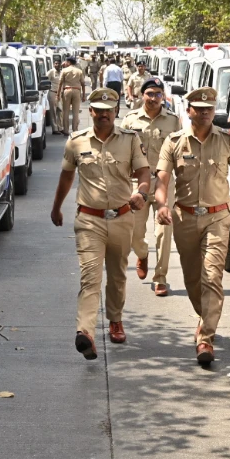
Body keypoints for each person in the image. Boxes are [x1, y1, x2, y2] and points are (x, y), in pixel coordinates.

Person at [155, 86, 230, 365]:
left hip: (217, 217)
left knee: (211, 276)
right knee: (193, 279)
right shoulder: (174, 141)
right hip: (184, 218)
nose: (204, 113)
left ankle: (206, 339)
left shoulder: (227, 140)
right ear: (188, 110)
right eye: (199, 108)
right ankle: (205, 317)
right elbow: (162, 178)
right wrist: (161, 204)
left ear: (215, 111)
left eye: (209, 109)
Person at [52, 88, 152, 359]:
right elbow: (66, 177)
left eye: (109, 110)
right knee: (90, 278)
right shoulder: (76, 141)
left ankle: (115, 319)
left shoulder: (130, 140)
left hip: (121, 217)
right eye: (99, 109)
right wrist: (57, 207)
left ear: (116, 112)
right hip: (88, 220)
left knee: (117, 275)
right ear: (90, 111)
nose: (104, 114)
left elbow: (144, 171)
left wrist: (141, 192)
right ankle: (85, 333)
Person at [121, 78, 181, 296]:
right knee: (135, 232)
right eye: (150, 93)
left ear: (162, 96)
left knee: (164, 231)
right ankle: (142, 253)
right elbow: (120, 150)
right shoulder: (129, 120)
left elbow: (180, 151)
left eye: (158, 94)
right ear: (141, 95)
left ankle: (161, 277)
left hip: (164, 182)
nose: (154, 98)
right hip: (138, 183)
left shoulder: (173, 121)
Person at [57, 57, 85, 133]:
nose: (65, 63)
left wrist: (58, 94)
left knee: (65, 111)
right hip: (77, 90)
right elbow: (83, 83)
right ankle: (75, 129)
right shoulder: (79, 71)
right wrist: (83, 95)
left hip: (67, 90)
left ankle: (66, 130)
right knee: (75, 112)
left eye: (66, 62)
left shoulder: (64, 70)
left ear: (69, 62)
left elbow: (60, 83)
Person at [47, 60, 64, 134]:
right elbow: (46, 80)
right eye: (55, 63)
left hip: (60, 93)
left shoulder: (62, 72)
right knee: (53, 111)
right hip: (52, 93)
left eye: (58, 63)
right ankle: (55, 129)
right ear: (53, 64)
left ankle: (60, 127)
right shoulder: (51, 72)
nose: (57, 65)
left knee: (60, 111)